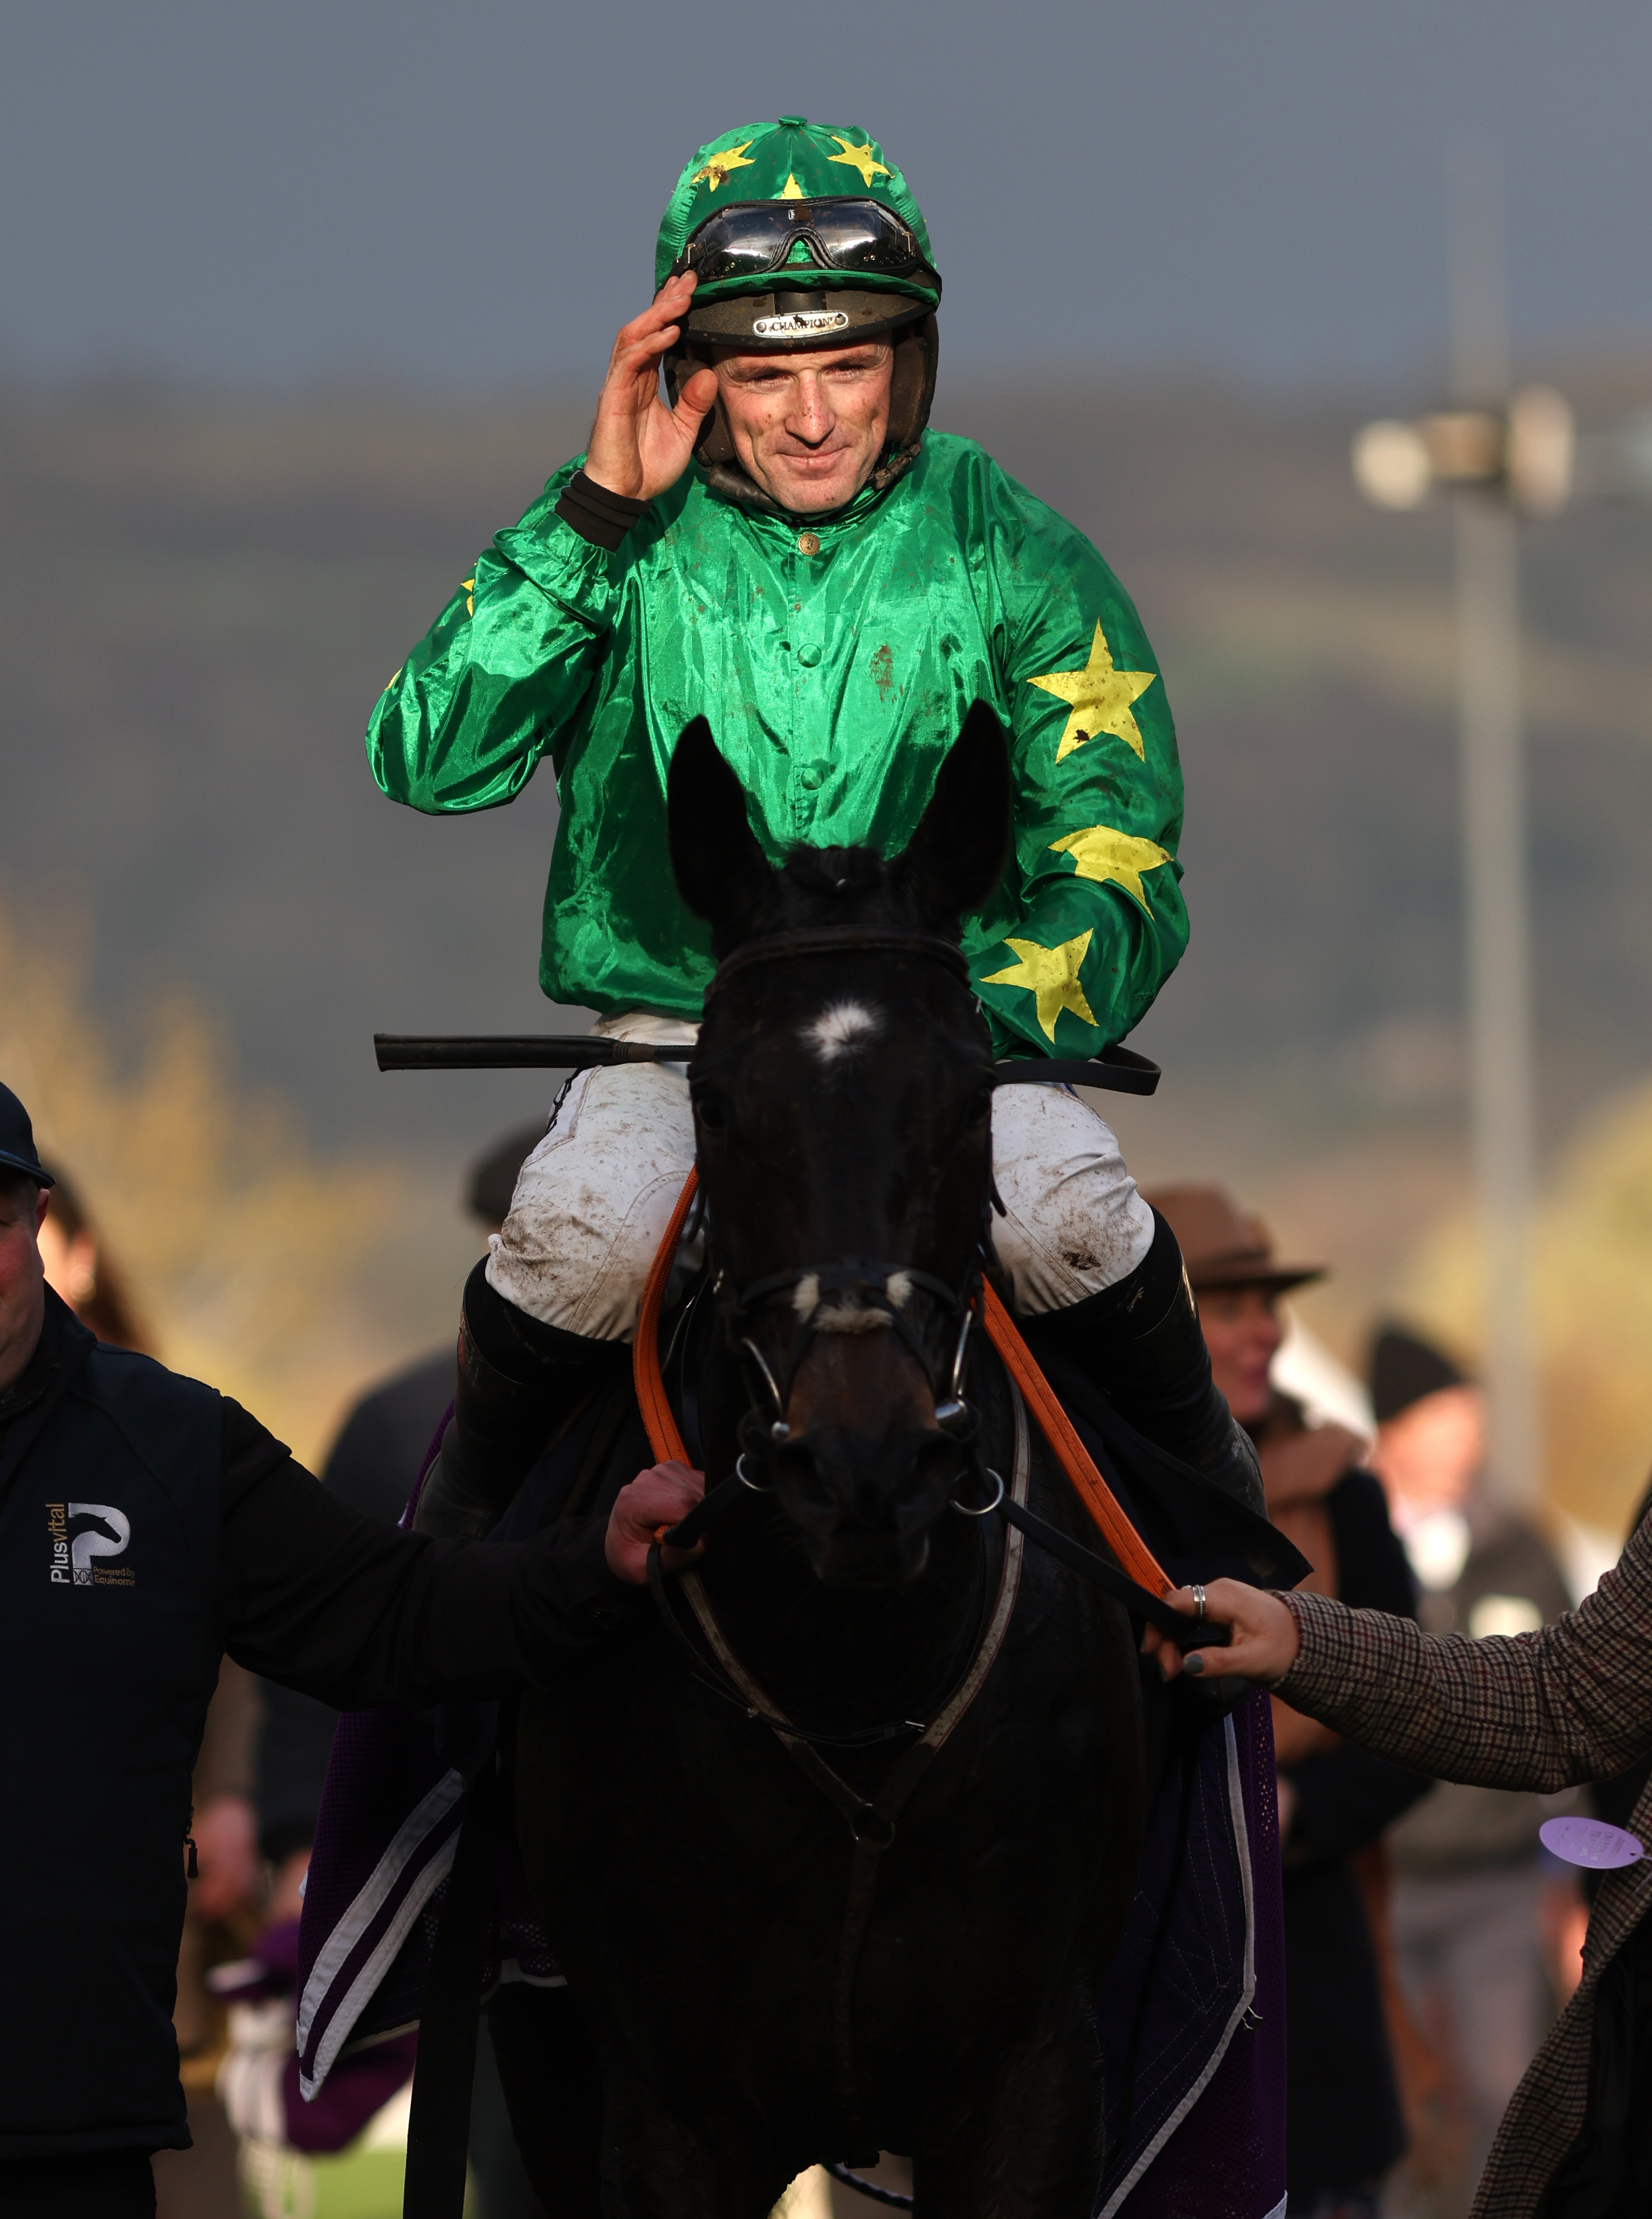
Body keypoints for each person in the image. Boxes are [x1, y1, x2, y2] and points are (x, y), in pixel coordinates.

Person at [366, 115, 1260, 1546]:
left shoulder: (1013, 545)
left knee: (1074, 1219)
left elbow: (1118, 848)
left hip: (953, 1033)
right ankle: (432, 1638)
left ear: (906, 364)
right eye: (764, 374)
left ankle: (1232, 1581)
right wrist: (593, 516)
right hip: (672, 1042)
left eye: (847, 365)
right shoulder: (610, 530)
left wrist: (960, 1016)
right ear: (690, 372)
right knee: (573, 1247)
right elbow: (426, 755)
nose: (811, 414)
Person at [0, 1079, 700, 2219]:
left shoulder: (167, 1443)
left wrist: (595, 1562)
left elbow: (391, 1614)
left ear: (33, 1222)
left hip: (65, 2125)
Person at [1145, 1511, 1652, 2219]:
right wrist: (1303, 1640)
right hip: (1399, 1897)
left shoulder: (1489, 1536)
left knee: (1491, 2082)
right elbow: (1563, 1696)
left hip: (1491, 1891)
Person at [1145, 1187, 1429, 2219]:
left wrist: (1297, 1814)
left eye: (1268, 1303)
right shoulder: (1101, 1496)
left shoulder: (1342, 1484)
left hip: (1310, 1977)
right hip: (1143, 1971)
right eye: (1228, 1305)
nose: (1266, 1329)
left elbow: (1416, 1709)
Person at [1367, 1327, 1580, 2215]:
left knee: (1506, 2097)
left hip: (1500, 1886)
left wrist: (1572, 1881)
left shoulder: (1524, 1547)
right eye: (1445, 1418)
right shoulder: (1348, 1537)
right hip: (1380, 1882)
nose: (1467, 1438)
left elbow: (1577, 1715)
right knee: (1383, 2104)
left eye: (1473, 1420)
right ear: (1394, 1428)